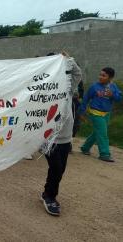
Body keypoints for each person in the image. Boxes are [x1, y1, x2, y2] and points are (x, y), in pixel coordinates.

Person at [41, 52, 82, 216]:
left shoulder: (68, 86)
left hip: (65, 138)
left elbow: (77, 74)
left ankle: (47, 192)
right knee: (56, 167)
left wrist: (68, 60)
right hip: (48, 138)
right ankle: (50, 197)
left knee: (60, 169)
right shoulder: (42, 87)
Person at [79, 67, 122, 162]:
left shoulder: (113, 86)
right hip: (95, 113)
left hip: (107, 114)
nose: (100, 77)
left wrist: (113, 95)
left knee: (97, 132)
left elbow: (119, 98)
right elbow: (85, 99)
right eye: (100, 74)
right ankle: (104, 154)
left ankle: (85, 148)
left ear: (110, 78)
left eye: (104, 75)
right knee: (103, 134)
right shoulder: (94, 86)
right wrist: (81, 113)